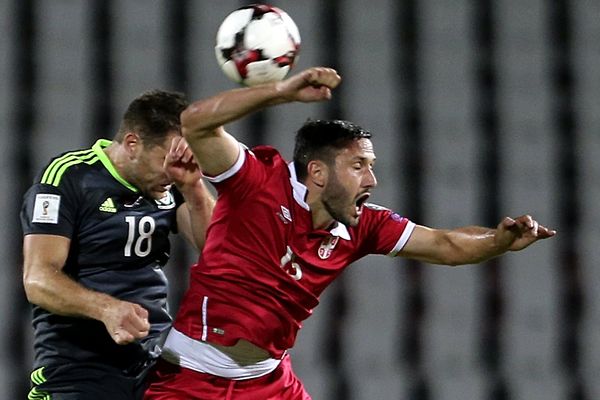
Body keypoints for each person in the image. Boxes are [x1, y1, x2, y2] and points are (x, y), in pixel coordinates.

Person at [143, 68, 556, 399]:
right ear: (318, 173)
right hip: (191, 378)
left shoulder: (364, 226)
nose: (372, 179)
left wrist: (499, 241)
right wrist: (281, 91)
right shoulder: (256, 181)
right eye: (358, 165)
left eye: (370, 165)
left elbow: (446, 245)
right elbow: (195, 122)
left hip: (267, 383)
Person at [20, 89, 215, 400]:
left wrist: (193, 187)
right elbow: (38, 279)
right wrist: (106, 309)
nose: (172, 171)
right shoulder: (69, 177)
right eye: (166, 158)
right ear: (132, 144)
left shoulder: (175, 183)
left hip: (155, 363)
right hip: (78, 368)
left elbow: (220, 252)